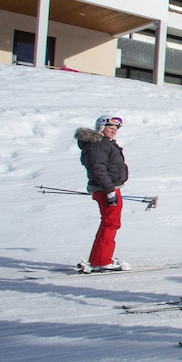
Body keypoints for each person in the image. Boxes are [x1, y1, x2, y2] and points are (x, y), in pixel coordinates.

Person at [74, 113, 129, 271]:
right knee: (111, 223)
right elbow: (98, 169)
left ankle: (99, 257)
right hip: (107, 189)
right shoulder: (98, 145)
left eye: (116, 128)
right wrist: (110, 191)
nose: (114, 130)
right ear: (101, 127)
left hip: (109, 188)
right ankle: (102, 260)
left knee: (109, 223)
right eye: (110, 127)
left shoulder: (103, 144)